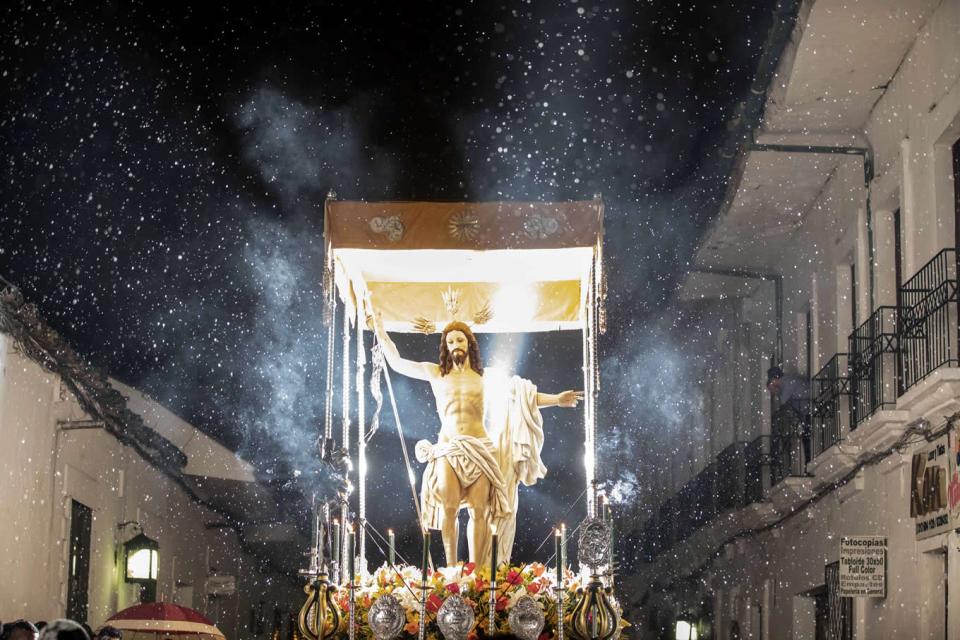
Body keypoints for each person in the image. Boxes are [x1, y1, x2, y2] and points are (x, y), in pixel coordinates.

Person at [371, 311, 582, 567]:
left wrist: (556, 400)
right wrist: (380, 330)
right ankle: (451, 571)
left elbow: (523, 395)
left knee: (479, 511)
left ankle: (476, 572)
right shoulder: (436, 373)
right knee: (449, 510)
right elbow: (397, 362)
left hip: (480, 449)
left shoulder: (487, 376)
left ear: (469, 344)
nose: (454, 346)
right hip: (449, 449)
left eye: (459, 340)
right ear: (445, 347)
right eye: (449, 342)